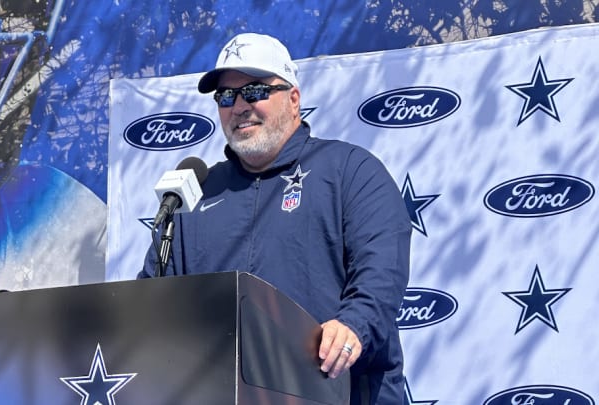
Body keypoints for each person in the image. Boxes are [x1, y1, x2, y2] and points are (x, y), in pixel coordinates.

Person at [139, 32, 411, 404]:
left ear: (293, 99)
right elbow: (151, 301)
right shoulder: (196, 193)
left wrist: (351, 326)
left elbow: (382, 273)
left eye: (254, 91)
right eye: (226, 96)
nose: (238, 106)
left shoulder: (351, 170)